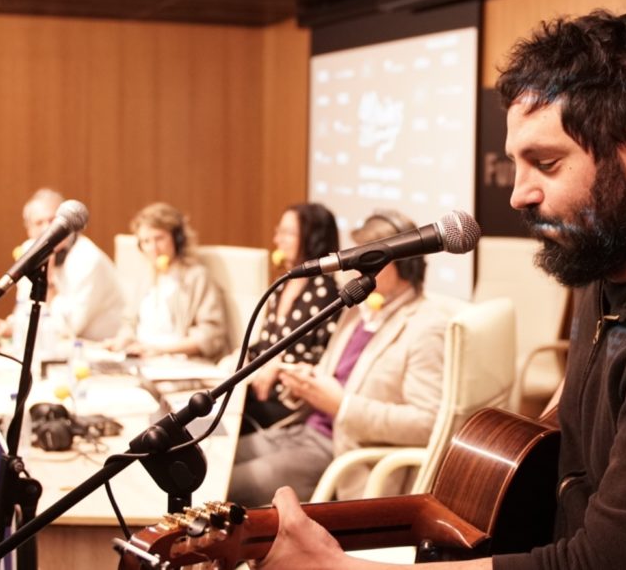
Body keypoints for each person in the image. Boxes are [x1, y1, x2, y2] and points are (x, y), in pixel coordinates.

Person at [255, 10, 626, 569]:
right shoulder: (615, 273)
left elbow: (602, 564)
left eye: (546, 163)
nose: (518, 194)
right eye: (517, 164)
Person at [228, 209, 448, 505]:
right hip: (303, 429)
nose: (360, 269)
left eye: (373, 260)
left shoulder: (426, 327)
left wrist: (342, 405)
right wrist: (304, 381)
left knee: (226, 487)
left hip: (342, 450)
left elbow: (428, 423)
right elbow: (332, 376)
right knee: (211, 461)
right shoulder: (360, 310)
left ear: (403, 264)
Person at [242, 203, 343, 431]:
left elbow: (324, 361)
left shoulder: (325, 293)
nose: (278, 240)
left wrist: (279, 368)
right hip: (258, 391)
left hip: (290, 402)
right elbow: (267, 345)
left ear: (312, 238)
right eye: (279, 232)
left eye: (288, 233)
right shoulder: (281, 285)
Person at [0, 188, 124, 344]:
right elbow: (26, 306)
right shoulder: (29, 251)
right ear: (29, 230)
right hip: (57, 347)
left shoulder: (88, 259)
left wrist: (49, 285)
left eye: (52, 221)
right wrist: (11, 325)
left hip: (99, 350)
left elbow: (68, 327)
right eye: (39, 223)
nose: (47, 229)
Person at [106, 202, 228, 360]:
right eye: (146, 242)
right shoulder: (144, 277)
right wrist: (122, 341)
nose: (153, 249)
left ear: (177, 239)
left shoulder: (197, 277)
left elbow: (211, 336)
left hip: (178, 363)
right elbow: (130, 322)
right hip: (142, 358)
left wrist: (162, 350)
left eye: (159, 239)